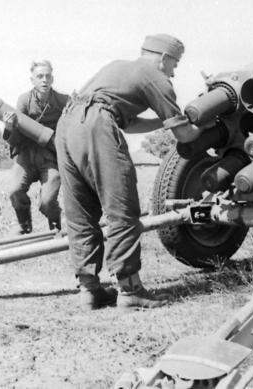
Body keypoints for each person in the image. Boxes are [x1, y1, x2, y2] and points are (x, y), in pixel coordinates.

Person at [55, 34, 202, 310]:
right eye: (175, 63)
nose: (175, 70)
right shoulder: (156, 77)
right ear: (163, 58)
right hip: (96, 125)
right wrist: (203, 125)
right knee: (121, 207)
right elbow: (184, 135)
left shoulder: (119, 67)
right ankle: (130, 290)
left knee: (81, 212)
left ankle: (89, 290)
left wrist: (164, 121)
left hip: (67, 125)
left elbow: (129, 123)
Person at [3, 60, 69, 234]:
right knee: (15, 190)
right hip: (26, 156)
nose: (44, 80)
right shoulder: (24, 101)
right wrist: (9, 127)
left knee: (47, 201)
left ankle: (55, 227)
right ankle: (24, 226)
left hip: (50, 158)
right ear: (32, 80)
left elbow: (72, 129)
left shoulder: (63, 101)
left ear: (52, 78)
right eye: (39, 76)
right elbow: (16, 136)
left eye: (47, 76)